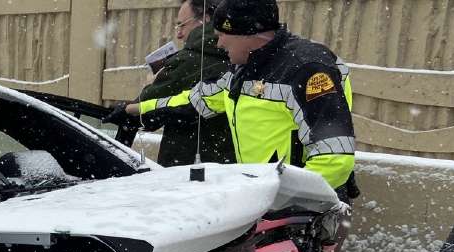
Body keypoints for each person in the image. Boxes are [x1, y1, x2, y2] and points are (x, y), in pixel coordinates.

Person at [116, 0, 358, 198]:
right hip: (265, 198)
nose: (219, 43)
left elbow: (334, 158)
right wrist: (136, 110)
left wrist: (284, 201)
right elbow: (198, 100)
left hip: (307, 208)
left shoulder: (308, 69)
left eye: (222, 35)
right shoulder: (245, 68)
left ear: (247, 34)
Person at [120, 0, 234, 166]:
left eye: (182, 25)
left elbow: (145, 111)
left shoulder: (188, 61)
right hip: (229, 168)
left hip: (185, 168)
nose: (179, 34)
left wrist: (152, 83)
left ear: (205, 19)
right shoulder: (241, 60)